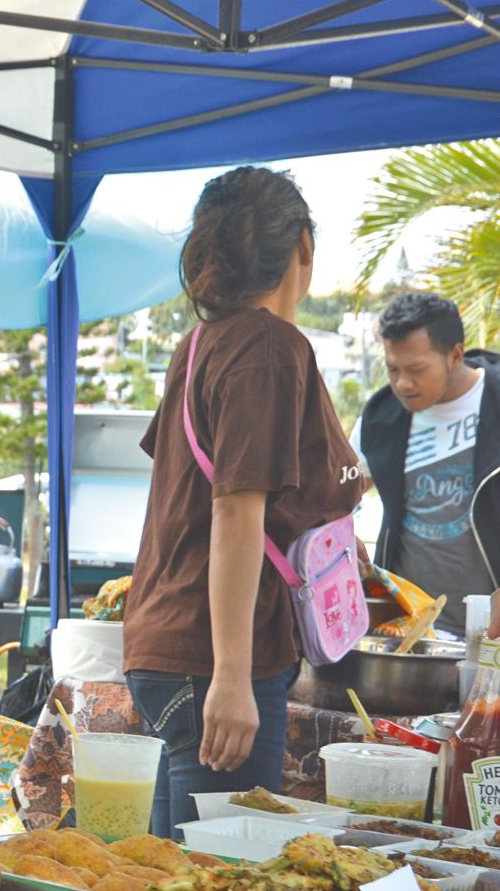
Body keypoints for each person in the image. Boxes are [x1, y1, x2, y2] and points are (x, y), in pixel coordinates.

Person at [122, 167, 363, 840]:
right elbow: (234, 510)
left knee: (173, 878)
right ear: (304, 247)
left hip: (170, 643)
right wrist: (231, 676)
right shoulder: (268, 346)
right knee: (221, 880)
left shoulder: (203, 343)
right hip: (218, 657)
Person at [352, 291, 500, 637]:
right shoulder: (381, 416)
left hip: (491, 637)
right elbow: (335, 494)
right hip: (407, 633)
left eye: (416, 370)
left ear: (455, 355)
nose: (402, 383)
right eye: (393, 369)